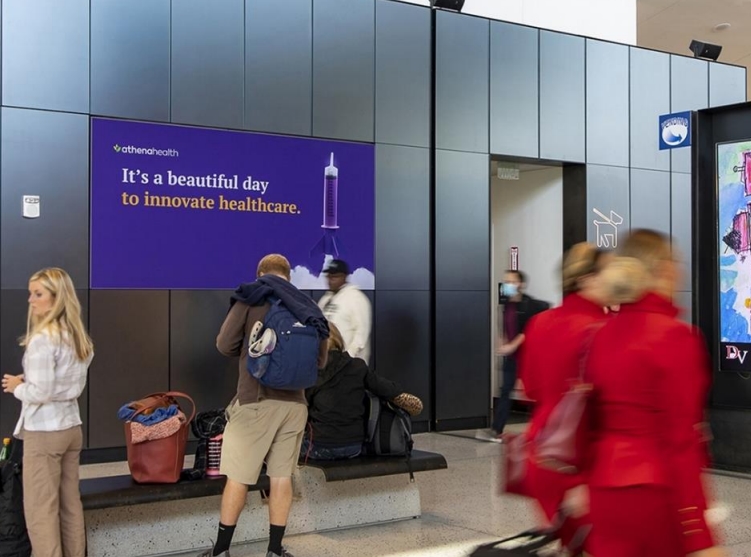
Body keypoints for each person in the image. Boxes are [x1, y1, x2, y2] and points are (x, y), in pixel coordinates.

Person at [577, 230, 726, 557]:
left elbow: (590, 421)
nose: (680, 270)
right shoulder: (675, 337)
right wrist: (697, 530)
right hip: (656, 492)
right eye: (675, 261)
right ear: (662, 269)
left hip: (604, 490)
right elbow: (681, 439)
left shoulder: (600, 334)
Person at [200, 254, 329, 557]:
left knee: (239, 478)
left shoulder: (252, 297)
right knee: (281, 477)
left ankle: (220, 551)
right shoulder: (308, 305)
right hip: (295, 405)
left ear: (260, 273)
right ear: (288, 276)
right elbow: (321, 360)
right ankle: (274, 550)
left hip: (255, 402)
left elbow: (223, 344)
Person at [517, 243, 611, 551]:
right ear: (587, 278)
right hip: (585, 462)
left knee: (570, 545)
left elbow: (530, 388)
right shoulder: (603, 330)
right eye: (610, 271)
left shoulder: (540, 322)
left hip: (543, 453)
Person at [2, 267, 94, 557]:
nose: (31, 300)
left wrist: (17, 386)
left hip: (43, 434)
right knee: (70, 506)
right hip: (70, 430)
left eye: (38, 294)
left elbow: (41, 393)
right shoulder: (78, 337)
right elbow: (64, 386)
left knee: (41, 513)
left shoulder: (43, 340)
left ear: (56, 299)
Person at [302, 323, 422, 460]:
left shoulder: (310, 371)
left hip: (320, 446)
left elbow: (302, 404)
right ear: (339, 340)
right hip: (354, 446)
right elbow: (388, 390)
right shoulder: (358, 366)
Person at [484, 270, 548, 442]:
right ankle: (496, 429)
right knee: (505, 391)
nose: (507, 284)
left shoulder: (529, 305)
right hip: (512, 358)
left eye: (511, 281)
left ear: (520, 284)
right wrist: (502, 344)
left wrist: (511, 346)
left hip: (527, 356)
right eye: (506, 281)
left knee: (534, 393)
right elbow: (505, 328)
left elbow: (527, 331)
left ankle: (541, 429)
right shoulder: (506, 306)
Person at [318, 259, 372, 364]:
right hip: (328, 363)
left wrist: (347, 357)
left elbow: (361, 335)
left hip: (350, 365)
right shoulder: (325, 299)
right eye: (328, 276)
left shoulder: (356, 298)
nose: (330, 280)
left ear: (344, 276)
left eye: (335, 277)